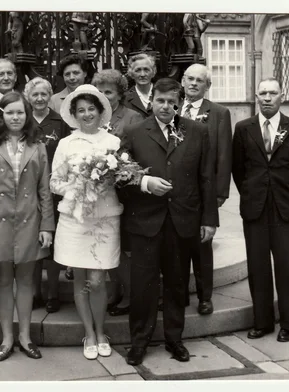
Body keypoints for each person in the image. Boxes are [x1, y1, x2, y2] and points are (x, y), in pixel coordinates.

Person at [119, 78, 218, 365]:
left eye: (170, 101)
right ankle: (139, 342)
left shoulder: (196, 131)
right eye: (159, 100)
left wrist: (209, 220)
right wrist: (145, 182)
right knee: (143, 286)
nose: (165, 106)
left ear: (179, 101)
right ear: (151, 101)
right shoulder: (135, 131)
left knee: (176, 285)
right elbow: (119, 175)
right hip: (145, 223)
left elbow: (206, 179)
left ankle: (175, 339)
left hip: (182, 220)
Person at [0, 92, 55, 362]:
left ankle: (25, 337)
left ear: (27, 115)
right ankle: (7, 338)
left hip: (30, 221)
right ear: (1, 116)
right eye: (10, 113)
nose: (16, 117)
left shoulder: (38, 146)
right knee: (4, 281)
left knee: (26, 281)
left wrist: (47, 226)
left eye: (20, 112)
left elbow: (45, 190)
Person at [232, 77, 289, 343]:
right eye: (262, 93)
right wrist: (251, 193)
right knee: (258, 267)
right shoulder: (243, 129)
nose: (267, 98)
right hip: (254, 208)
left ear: (282, 96)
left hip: (285, 209)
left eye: (272, 93)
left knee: (288, 267)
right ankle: (263, 321)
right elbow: (238, 169)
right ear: (256, 97)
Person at [51, 84, 122, 360]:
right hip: (75, 220)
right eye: (80, 110)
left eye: (91, 109)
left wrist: (108, 180)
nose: (87, 114)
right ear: (74, 115)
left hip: (104, 218)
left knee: (98, 279)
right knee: (81, 279)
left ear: (100, 111)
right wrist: (79, 186)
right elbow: (54, 182)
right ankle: (89, 334)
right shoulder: (66, 144)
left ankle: (102, 331)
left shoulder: (113, 143)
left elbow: (124, 175)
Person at [180, 64, 233, 315]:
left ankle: (204, 297)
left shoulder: (219, 113)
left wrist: (220, 192)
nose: (193, 84)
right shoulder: (172, 108)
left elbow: (224, 155)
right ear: (182, 81)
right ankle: (178, 295)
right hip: (177, 190)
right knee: (177, 246)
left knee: (202, 244)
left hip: (205, 190)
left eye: (199, 81)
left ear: (207, 86)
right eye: (190, 79)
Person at [91, 69, 144, 316]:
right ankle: (115, 290)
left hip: (124, 192)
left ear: (120, 94)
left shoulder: (131, 118)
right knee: (106, 245)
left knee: (122, 247)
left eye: (108, 92)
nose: (103, 95)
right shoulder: (94, 117)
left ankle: (130, 294)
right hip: (99, 193)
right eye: (99, 91)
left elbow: (139, 154)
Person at [23, 77, 72, 313]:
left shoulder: (59, 121)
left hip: (54, 191)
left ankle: (53, 293)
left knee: (51, 245)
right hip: (28, 192)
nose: (40, 99)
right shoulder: (23, 121)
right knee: (33, 245)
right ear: (28, 98)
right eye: (35, 95)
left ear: (50, 95)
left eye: (44, 94)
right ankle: (35, 293)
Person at [123, 53, 157, 118]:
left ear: (153, 72)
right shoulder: (125, 99)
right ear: (131, 73)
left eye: (146, 70)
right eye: (138, 70)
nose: (142, 74)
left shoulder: (162, 94)